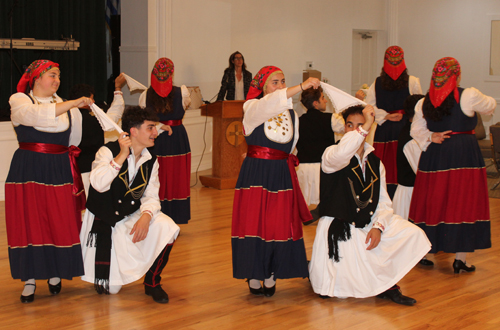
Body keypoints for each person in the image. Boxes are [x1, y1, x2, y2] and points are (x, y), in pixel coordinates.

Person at [308, 104, 431, 306]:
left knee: (411, 234)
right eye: (350, 125)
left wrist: (378, 227)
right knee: (337, 292)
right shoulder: (332, 154)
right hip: (342, 225)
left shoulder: (376, 163)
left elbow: (383, 201)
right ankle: (377, 283)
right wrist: (364, 126)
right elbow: (343, 153)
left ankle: (387, 286)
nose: (356, 130)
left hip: (368, 221)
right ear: (344, 128)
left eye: (361, 125)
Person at [6, 59, 92, 303]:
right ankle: (29, 278)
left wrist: (72, 106)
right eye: (52, 75)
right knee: (29, 220)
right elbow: (34, 117)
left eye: (58, 76)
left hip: (57, 169)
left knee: (58, 219)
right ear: (36, 78)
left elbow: (73, 140)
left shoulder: (71, 110)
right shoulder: (20, 100)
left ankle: (56, 271)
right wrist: (74, 102)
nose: (57, 80)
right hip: (28, 169)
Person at [232, 65, 318, 297]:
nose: (280, 86)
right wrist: (300, 87)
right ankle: (253, 272)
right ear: (262, 86)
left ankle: (271, 272)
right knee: (254, 223)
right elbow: (267, 106)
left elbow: (292, 146)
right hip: (257, 174)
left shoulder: (292, 114)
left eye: (282, 81)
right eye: (274, 82)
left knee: (277, 224)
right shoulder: (252, 106)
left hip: (281, 174)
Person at [80, 106, 180, 303]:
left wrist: (146, 216)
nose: (155, 133)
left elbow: (151, 195)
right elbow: (98, 184)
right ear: (133, 131)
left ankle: (152, 282)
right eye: (150, 127)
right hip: (107, 220)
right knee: (111, 291)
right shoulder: (107, 151)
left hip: (130, 214)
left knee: (169, 227)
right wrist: (121, 156)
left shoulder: (151, 160)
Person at [409, 57, 496, 273]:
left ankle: (426, 253)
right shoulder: (469, 95)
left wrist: (431, 136)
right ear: (456, 75)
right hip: (463, 155)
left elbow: (415, 131)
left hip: (436, 155)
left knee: (433, 200)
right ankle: (460, 259)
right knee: (462, 201)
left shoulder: (424, 101)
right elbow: (491, 105)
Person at [365, 46, 422, 198]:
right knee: (385, 166)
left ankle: (406, 198)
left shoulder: (413, 82)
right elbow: (368, 106)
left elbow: (419, 106)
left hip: (406, 129)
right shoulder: (376, 83)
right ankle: (384, 198)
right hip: (386, 130)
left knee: (404, 164)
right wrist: (385, 116)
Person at [140, 58, 192, 224]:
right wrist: (160, 125)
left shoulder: (179, 92)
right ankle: (159, 213)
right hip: (158, 138)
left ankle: (172, 215)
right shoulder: (147, 94)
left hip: (174, 139)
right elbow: (143, 119)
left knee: (174, 175)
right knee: (158, 174)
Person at [70, 73, 127, 195]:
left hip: (70, 168)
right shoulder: (94, 120)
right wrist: (117, 89)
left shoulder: (65, 116)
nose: (94, 102)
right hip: (88, 169)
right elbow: (114, 115)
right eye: (92, 98)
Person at [296, 87, 336, 224]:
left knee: (304, 198)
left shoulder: (298, 121)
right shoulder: (331, 119)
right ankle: (321, 213)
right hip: (321, 167)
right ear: (316, 103)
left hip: (302, 167)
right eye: (323, 98)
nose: (325, 101)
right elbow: (348, 127)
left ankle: (309, 214)